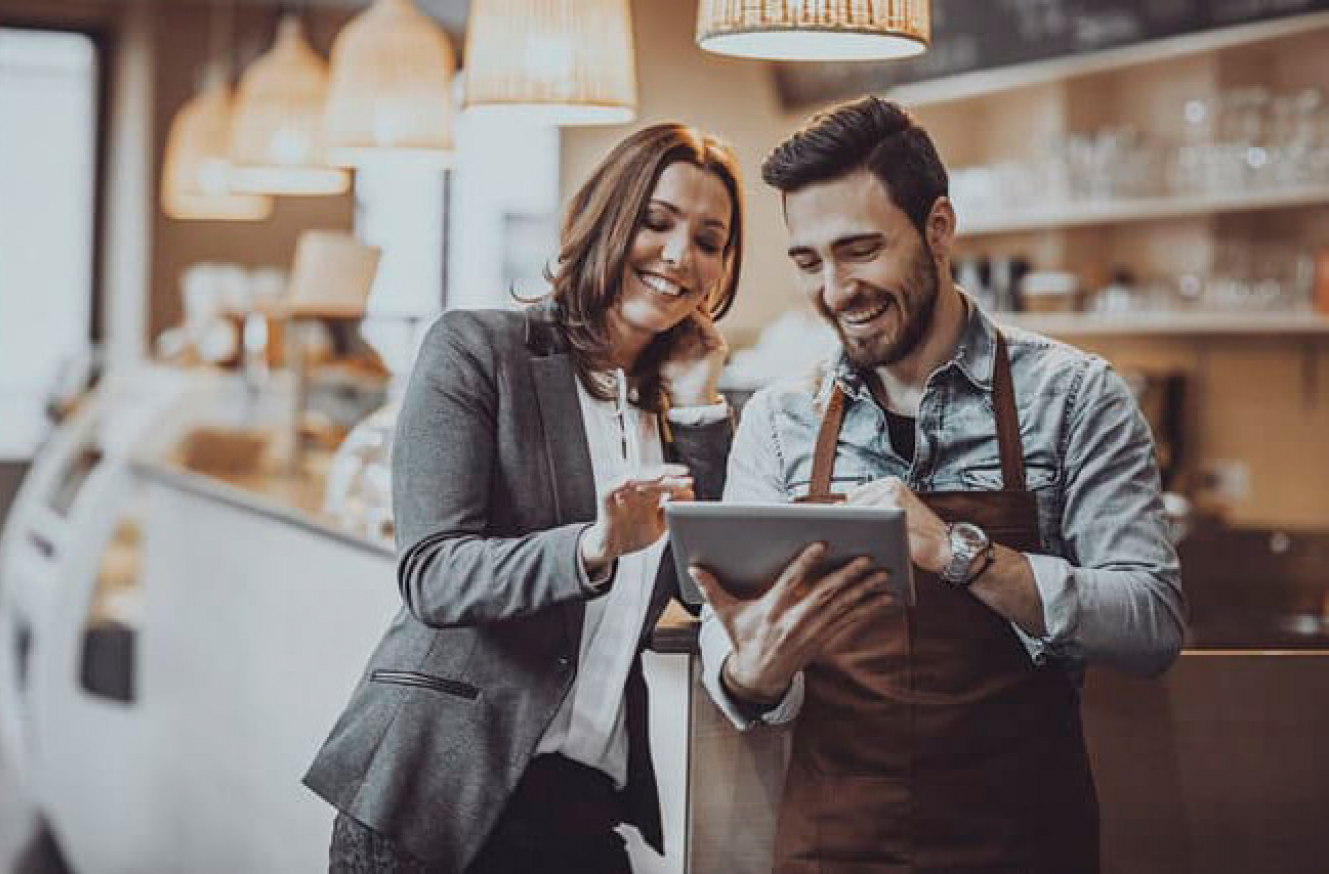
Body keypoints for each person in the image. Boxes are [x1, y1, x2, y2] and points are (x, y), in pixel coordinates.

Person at [691, 95, 1187, 873]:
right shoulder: (779, 421)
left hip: (1021, 842)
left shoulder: (1075, 397)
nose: (835, 289)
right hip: (833, 845)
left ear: (939, 228)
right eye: (809, 261)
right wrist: (748, 673)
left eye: (860, 250)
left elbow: (1150, 625)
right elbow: (739, 654)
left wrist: (960, 553)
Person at [305, 123, 744, 874]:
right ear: (608, 217)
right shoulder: (480, 351)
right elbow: (434, 574)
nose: (681, 256)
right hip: (438, 798)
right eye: (658, 221)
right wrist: (591, 547)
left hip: (583, 805)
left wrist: (699, 406)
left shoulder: (679, 411)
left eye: (710, 239)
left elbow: (711, 590)